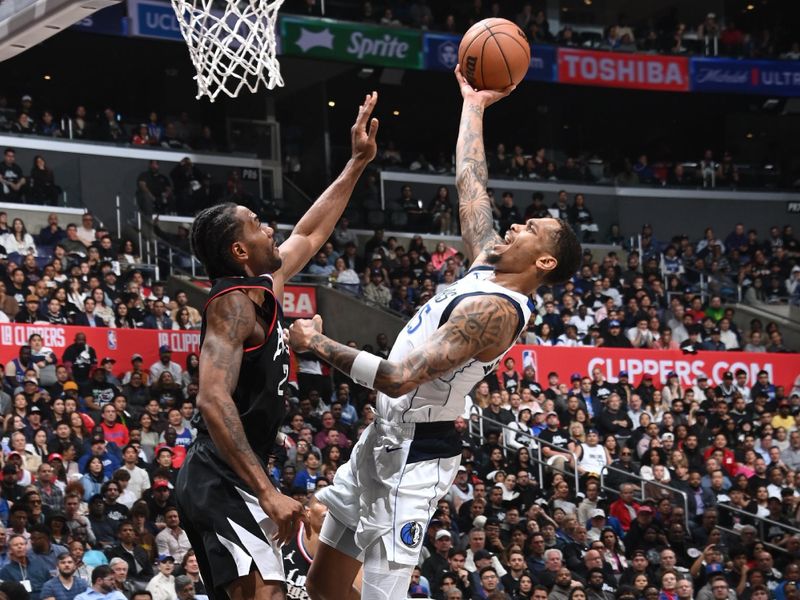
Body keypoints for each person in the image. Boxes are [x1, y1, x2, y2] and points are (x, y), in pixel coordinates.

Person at [288, 68, 580, 600]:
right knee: (323, 589)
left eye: (531, 229)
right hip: (381, 440)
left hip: (416, 461)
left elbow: (399, 378)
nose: (516, 225)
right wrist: (475, 104)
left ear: (543, 259)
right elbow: (472, 181)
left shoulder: (495, 311)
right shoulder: (487, 264)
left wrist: (315, 344)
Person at [174, 92, 379, 600]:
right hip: (217, 477)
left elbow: (311, 231)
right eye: (257, 226)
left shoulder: (262, 286)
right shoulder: (231, 305)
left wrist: (356, 163)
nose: (271, 229)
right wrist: (267, 492)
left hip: (235, 477)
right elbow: (211, 399)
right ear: (240, 251)